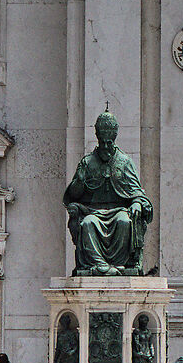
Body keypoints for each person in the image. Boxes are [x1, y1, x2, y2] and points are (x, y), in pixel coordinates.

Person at [64, 112, 153, 276]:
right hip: (93, 212)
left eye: (109, 142)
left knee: (124, 222)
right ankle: (99, 265)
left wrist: (136, 203)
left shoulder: (124, 162)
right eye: (102, 142)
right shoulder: (87, 162)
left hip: (119, 210)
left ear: (114, 139)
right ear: (97, 137)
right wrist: (80, 181)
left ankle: (119, 265)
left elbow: (138, 192)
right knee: (87, 224)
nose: (105, 146)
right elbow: (73, 196)